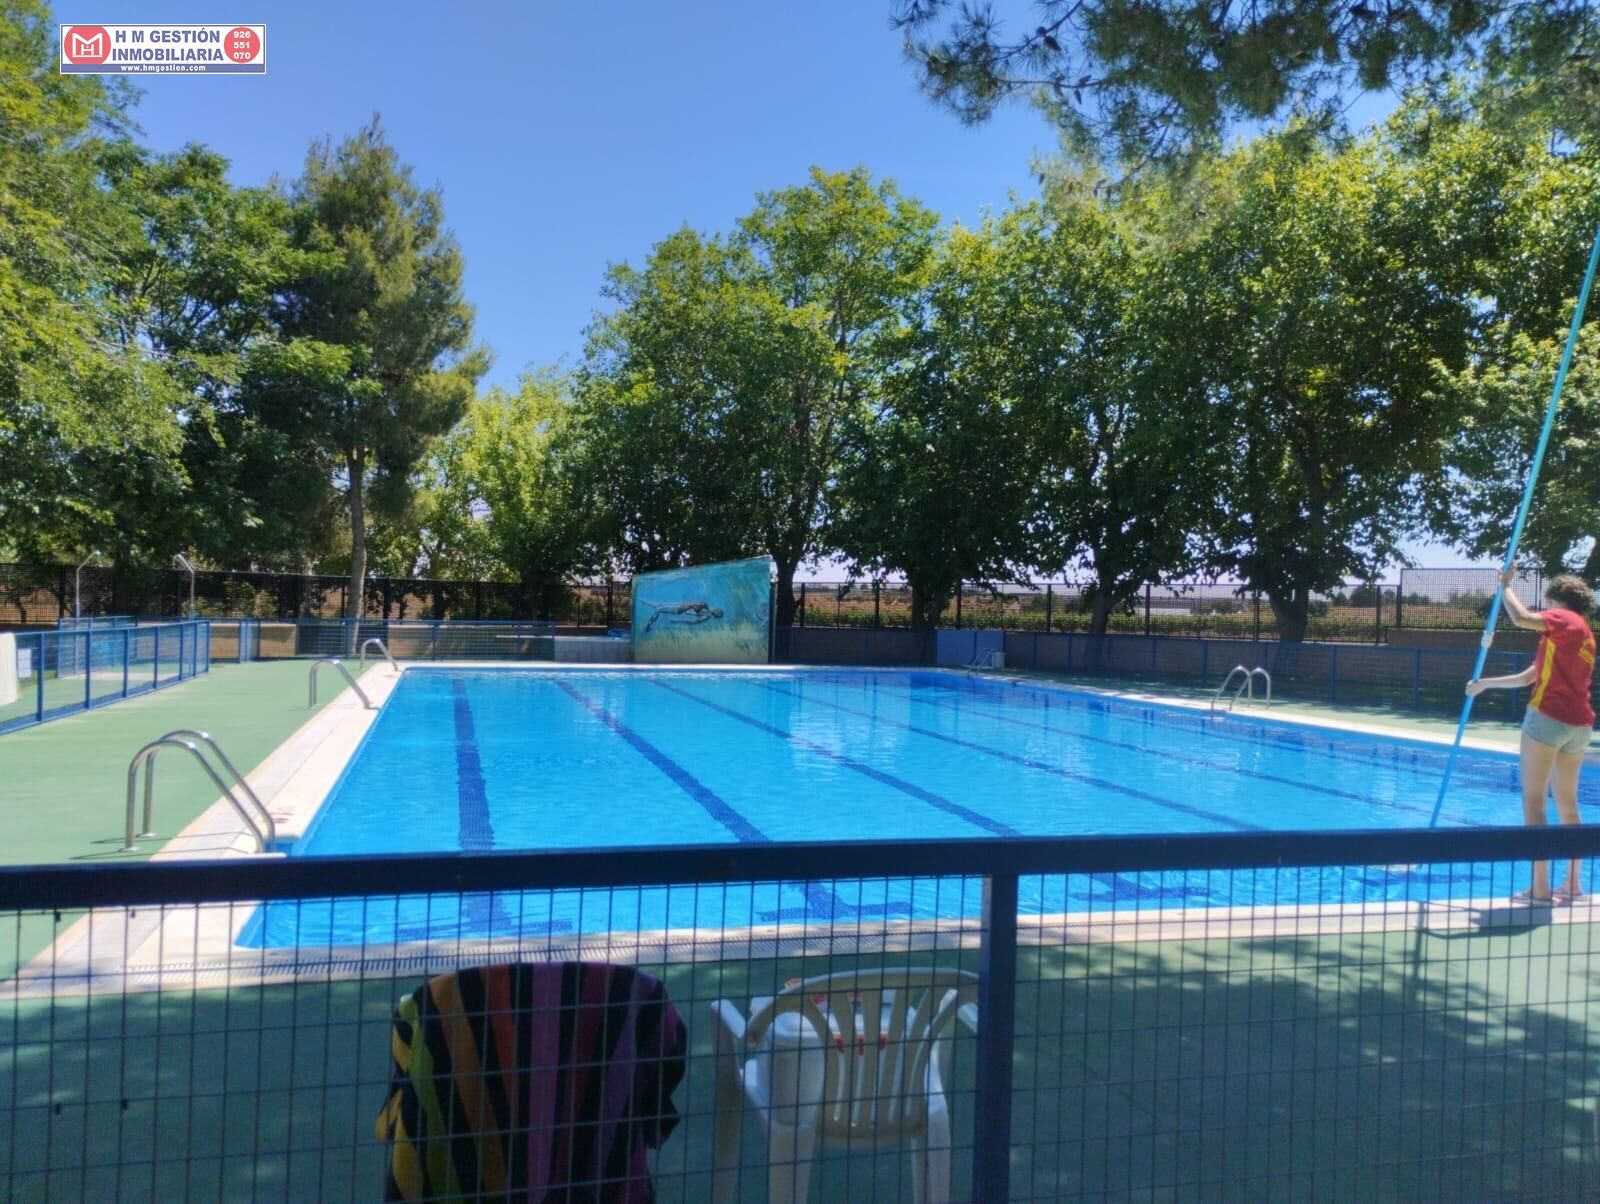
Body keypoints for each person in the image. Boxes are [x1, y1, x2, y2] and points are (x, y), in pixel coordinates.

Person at [1465, 567, 1596, 902]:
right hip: (1579, 726)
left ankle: (1539, 888)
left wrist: (1505, 586)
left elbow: (1522, 618)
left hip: (1547, 719)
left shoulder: (1563, 619)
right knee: (1568, 805)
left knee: (1534, 802)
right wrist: (1485, 684)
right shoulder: (1583, 635)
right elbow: (1529, 677)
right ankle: (1573, 884)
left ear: (1555, 599)